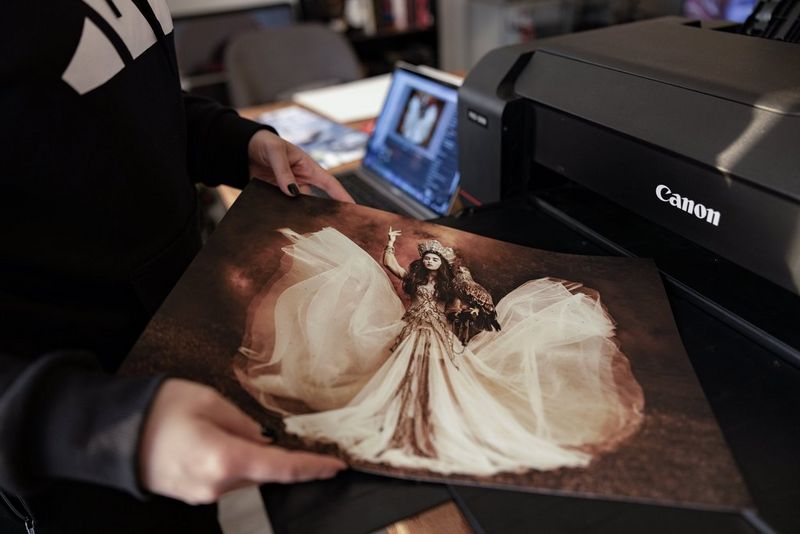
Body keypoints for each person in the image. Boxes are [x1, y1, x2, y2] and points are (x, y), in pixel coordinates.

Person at [1, 1, 348, 532]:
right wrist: (89, 424)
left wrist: (233, 142)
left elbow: (112, 94)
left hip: (176, 355)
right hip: (74, 445)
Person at [236, 226, 645, 475]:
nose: (430, 262)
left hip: (437, 332)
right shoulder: (413, 278)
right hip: (413, 329)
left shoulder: (450, 287)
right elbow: (393, 270)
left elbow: (461, 306)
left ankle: (434, 416)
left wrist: (467, 302)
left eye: (435, 258)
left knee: (441, 375)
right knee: (403, 371)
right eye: (427, 257)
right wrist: (392, 244)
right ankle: (402, 412)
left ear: (442, 264)